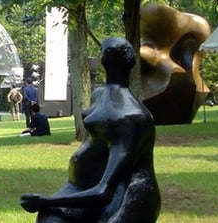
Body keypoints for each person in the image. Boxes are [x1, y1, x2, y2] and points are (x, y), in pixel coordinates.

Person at [20, 37, 160, 223]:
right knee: (51, 219)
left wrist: (45, 201)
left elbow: (105, 191)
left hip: (125, 194)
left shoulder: (131, 117)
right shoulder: (100, 95)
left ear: (105, 58)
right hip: (84, 185)